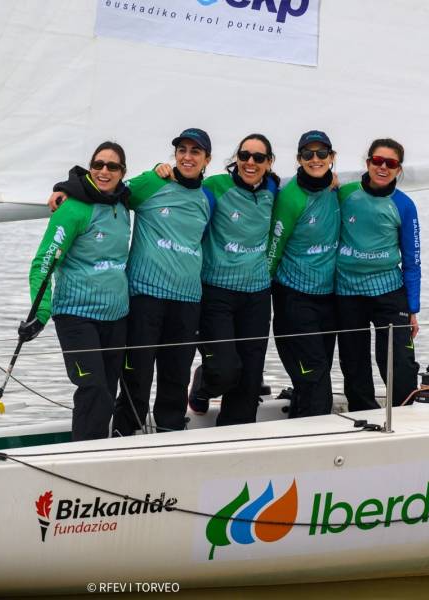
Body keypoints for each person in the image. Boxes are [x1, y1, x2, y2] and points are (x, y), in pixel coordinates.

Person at [49, 129, 213, 435]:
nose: (187, 157)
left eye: (195, 152)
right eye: (182, 150)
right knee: (136, 377)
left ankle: (170, 434)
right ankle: (125, 433)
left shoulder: (208, 197)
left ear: (207, 159)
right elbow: (107, 189)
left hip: (188, 299)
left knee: (176, 377)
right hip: (145, 296)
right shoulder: (153, 182)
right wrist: (65, 189)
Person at [165, 134, 279, 426]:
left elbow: (308, 189)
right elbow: (182, 185)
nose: (250, 162)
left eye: (258, 158)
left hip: (257, 293)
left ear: (269, 163)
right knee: (225, 370)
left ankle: (236, 433)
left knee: (250, 376)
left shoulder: (273, 189)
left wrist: (332, 182)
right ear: (236, 159)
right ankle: (203, 383)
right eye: (244, 156)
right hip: (216, 291)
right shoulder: (215, 186)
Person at [24, 141, 131, 441]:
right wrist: (40, 313)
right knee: (93, 389)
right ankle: (84, 450)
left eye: (112, 166)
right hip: (76, 315)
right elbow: (43, 263)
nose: (104, 171)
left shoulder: (124, 204)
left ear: (122, 173)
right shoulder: (71, 208)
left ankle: (97, 448)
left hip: (116, 316)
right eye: (98, 165)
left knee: (108, 390)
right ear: (89, 167)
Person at [336, 138, 421, 409]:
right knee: (354, 362)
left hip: (388, 291)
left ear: (399, 169)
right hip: (348, 291)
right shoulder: (345, 193)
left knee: (399, 362)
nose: (383, 167)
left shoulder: (404, 205)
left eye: (391, 163)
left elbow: (412, 261)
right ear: (368, 163)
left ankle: (405, 413)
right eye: (377, 161)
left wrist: (413, 308)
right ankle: (363, 414)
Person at [266, 130, 340, 418]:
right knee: (314, 372)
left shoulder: (337, 190)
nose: (315, 159)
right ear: (299, 159)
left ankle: (300, 422)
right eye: (308, 154)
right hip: (294, 297)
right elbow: (273, 249)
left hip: (328, 298)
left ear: (332, 158)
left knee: (317, 372)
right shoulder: (290, 197)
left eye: (322, 153)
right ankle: (317, 432)